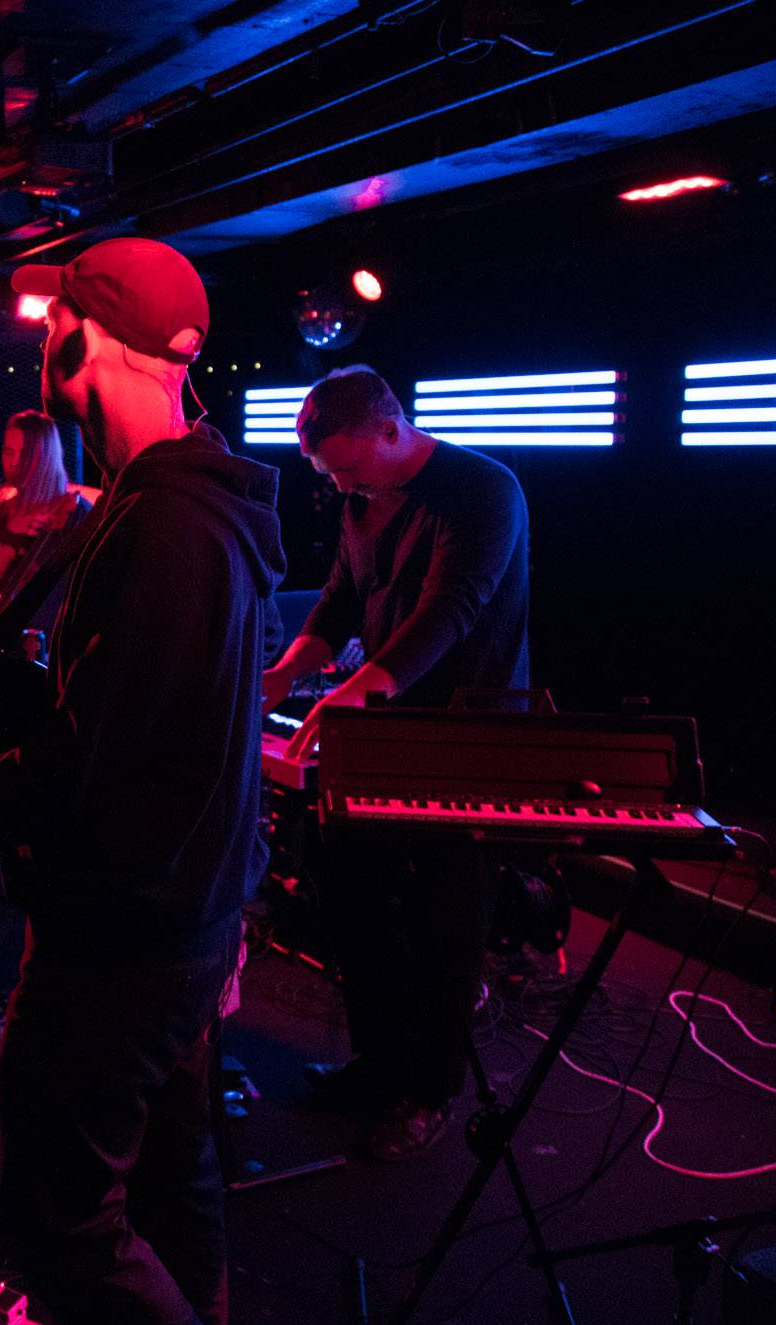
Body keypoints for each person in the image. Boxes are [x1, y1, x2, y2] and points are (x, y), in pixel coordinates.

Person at [0, 239, 283, 1325]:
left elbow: (71, 769)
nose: (41, 353)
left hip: (118, 940)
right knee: (172, 1183)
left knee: (61, 1216)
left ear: (78, 342)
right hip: (183, 919)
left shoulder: (160, 526)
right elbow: (183, 735)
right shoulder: (200, 505)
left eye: (48, 334)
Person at [262, 365, 530, 1160]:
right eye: (331, 474)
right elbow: (342, 601)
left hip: (462, 735)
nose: (342, 485)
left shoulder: (482, 491)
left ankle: (430, 1091)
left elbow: (452, 611)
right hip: (377, 724)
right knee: (357, 903)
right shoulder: (358, 499)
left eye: (348, 467)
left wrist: (352, 690)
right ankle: (379, 1068)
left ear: (391, 428)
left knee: (443, 920)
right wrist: (281, 675)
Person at [0, 411, 100, 650]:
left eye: (25, 454)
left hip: (52, 648)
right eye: (8, 452)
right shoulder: (1, 511)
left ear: (45, 458)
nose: (13, 462)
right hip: (6, 644)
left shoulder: (72, 513)